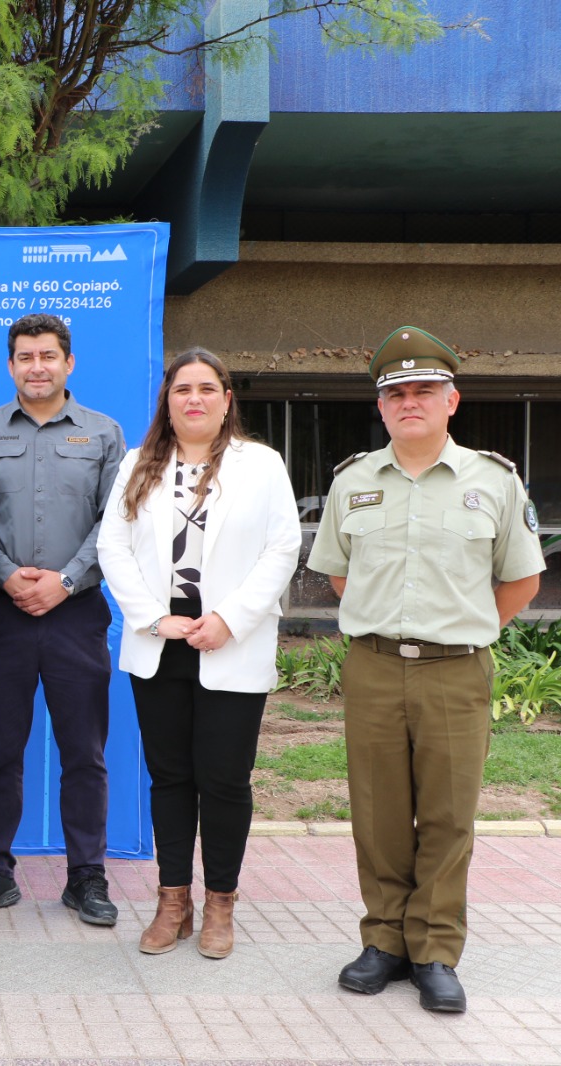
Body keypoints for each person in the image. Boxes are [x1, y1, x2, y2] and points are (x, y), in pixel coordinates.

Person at [308, 326, 544, 1012]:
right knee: (379, 813)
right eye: (397, 393)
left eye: (425, 391)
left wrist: (459, 635)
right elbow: (342, 579)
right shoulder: (354, 480)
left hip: (456, 670)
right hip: (376, 665)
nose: (410, 402)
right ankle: (384, 941)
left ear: (452, 401)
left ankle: (436, 949)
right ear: (381, 409)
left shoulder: (493, 481)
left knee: (447, 815)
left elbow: (520, 583)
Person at [96, 348, 301, 958]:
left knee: (226, 781)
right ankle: (172, 901)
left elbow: (282, 547)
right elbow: (114, 547)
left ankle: (220, 906)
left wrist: (229, 620)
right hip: (162, 647)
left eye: (207, 389)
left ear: (227, 399)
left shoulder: (260, 465)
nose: (194, 399)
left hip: (229, 647)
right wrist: (155, 617)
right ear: (167, 399)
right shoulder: (139, 464)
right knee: (170, 779)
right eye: (182, 388)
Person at [0, 313, 126, 926]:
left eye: (48, 356)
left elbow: (118, 524)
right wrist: (4, 575)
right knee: (0, 750)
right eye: (25, 357)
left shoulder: (104, 434)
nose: (37, 367)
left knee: (84, 752)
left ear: (68, 363)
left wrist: (65, 581)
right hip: (0, 616)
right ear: (11, 365)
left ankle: (87, 876)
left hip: (76, 615)